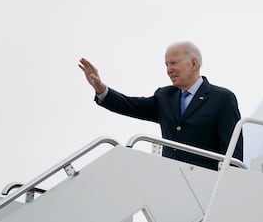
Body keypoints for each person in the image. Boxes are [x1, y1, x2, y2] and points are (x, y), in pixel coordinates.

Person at [78, 41, 243, 170]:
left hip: (207, 185)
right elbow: (130, 105)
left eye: (173, 63)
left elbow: (233, 154)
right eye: (166, 65)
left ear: (193, 64)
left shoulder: (222, 98)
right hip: (169, 180)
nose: (169, 70)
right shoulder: (165, 97)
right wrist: (100, 88)